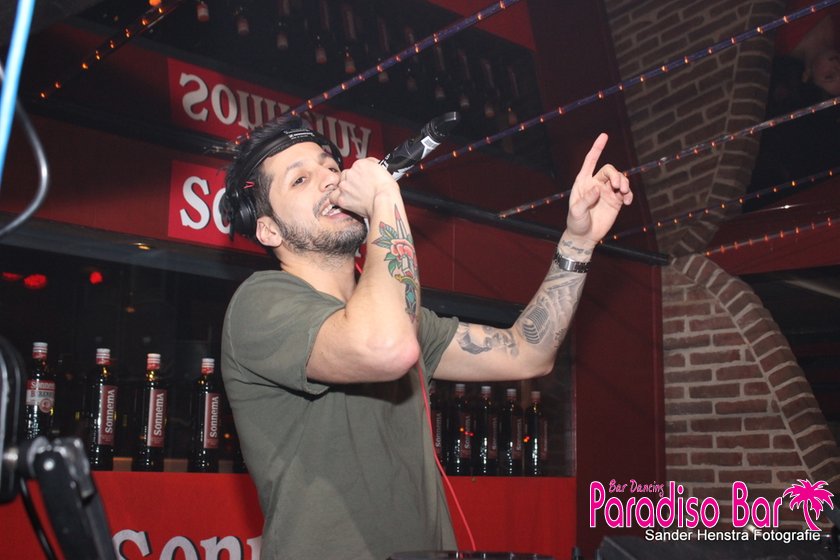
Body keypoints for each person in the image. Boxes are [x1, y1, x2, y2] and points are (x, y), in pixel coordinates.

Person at [219, 116, 632, 559]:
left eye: (331, 167)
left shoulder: (399, 317)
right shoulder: (259, 303)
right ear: (269, 229)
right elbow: (386, 347)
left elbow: (528, 352)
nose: (330, 180)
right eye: (300, 179)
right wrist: (384, 196)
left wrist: (578, 242)